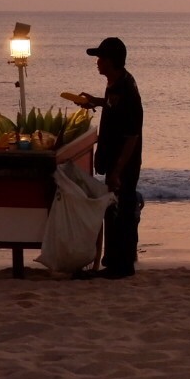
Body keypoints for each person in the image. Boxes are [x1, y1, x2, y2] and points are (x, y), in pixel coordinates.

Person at [75, 37, 144, 279]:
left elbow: (132, 135)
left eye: (101, 58)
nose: (97, 62)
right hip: (115, 161)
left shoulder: (127, 89)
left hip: (124, 163)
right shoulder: (115, 84)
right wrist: (96, 101)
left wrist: (117, 171)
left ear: (112, 61)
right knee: (113, 210)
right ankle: (114, 262)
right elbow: (114, 105)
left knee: (121, 211)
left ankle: (121, 267)